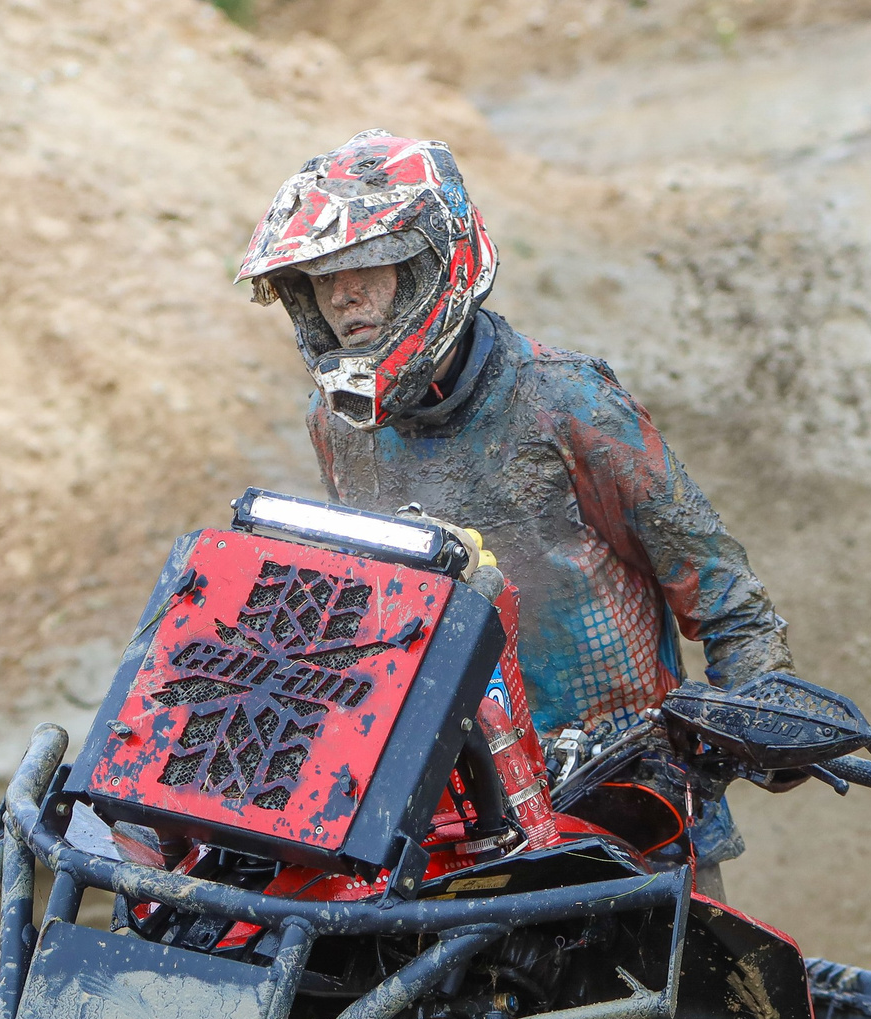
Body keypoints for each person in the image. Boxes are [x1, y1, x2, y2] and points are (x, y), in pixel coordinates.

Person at [237, 130, 793, 895]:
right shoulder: (337, 423)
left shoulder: (564, 399)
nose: (343, 296)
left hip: (635, 803)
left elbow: (726, 595)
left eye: (367, 264)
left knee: (685, 1011)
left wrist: (750, 722)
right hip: (464, 813)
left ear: (432, 258)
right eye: (319, 278)